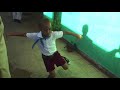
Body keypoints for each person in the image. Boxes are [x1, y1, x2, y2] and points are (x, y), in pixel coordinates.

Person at [6, 18, 82, 78]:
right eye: (45, 30)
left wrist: (76, 35)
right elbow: (24, 34)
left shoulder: (54, 34)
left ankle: (64, 59)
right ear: (40, 29)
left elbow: (65, 32)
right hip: (46, 58)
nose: (48, 31)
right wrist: (11, 34)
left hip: (55, 54)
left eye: (50, 28)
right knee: (53, 75)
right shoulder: (36, 36)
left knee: (66, 67)